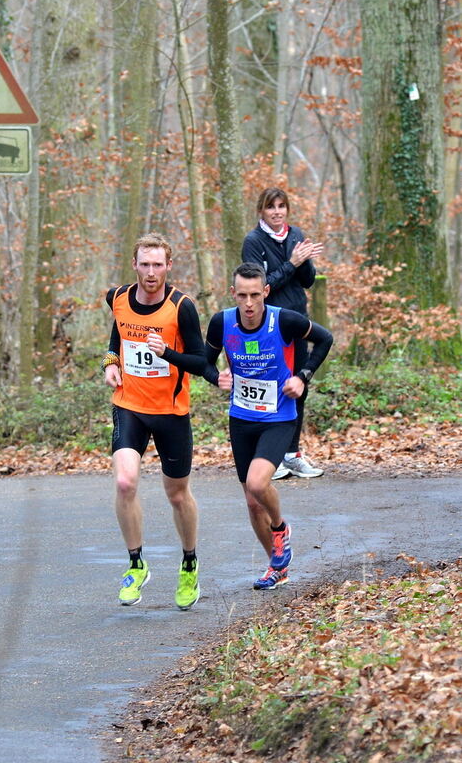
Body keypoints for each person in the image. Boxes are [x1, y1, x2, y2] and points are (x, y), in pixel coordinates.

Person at [204, 262, 332, 590]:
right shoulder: (222, 322)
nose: (248, 304)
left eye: (254, 296)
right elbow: (206, 359)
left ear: (266, 292)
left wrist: (302, 378)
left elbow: (325, 339)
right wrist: (216, 376)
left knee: (258, 484)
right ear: (233, 293)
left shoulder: (284, 319)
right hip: (242, 418)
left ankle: (280, 528)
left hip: (279, 417)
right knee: (250, 500)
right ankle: (276, 567)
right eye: (242, 296)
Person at [103, 233, 206, 610]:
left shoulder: (182, 307)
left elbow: (201, 361)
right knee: (125, 481)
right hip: (129, 405)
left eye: (157, 265)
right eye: (144, 264)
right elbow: (117, 336)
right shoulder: (117, 298)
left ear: (169, 266)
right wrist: (110, 364)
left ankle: (189, 563)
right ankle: (135, 564)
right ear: (135, 265)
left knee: (177, 494)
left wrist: (170, 353)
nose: (151, 272)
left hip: (171, 413)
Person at [241, 187, 324, 479]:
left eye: (281, 206)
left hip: (296, 320)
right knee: (271, 387)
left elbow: (309, 280)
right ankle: (267, 458)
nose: (277, 212)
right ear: (261, 211)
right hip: (268, 325)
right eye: (271, 207)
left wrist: (302, 261)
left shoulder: (295, 234)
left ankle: (291, 454)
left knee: (297, 386)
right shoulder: (253, 241)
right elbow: (261, 286)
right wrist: (292, 262)